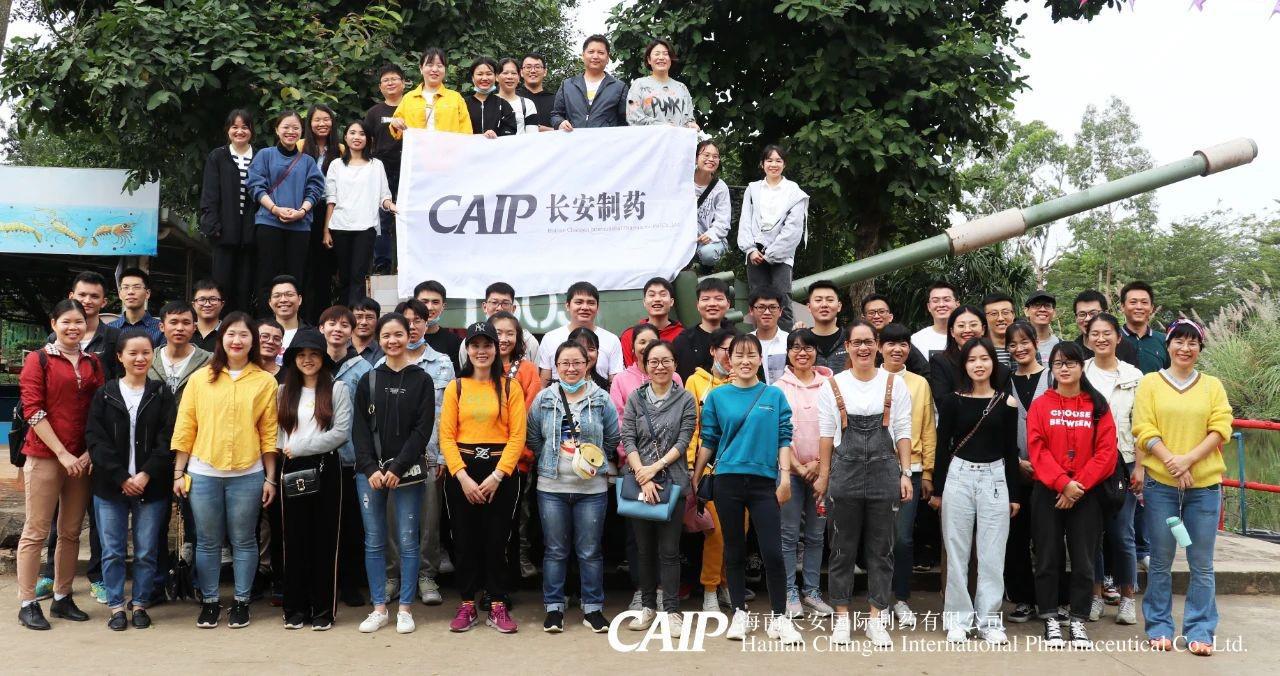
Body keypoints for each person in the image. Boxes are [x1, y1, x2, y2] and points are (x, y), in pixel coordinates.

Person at [171, 311, 279, 630]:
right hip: (203, 471)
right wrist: (178, 472)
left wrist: (271, 478)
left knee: (244, 540)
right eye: (231, 334)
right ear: (221, 339)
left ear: (253, 341)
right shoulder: (201, 379)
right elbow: (186, 426)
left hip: (248, 473)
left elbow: (268, 433)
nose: (237, 340)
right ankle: (210, 601)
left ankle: (242, 601)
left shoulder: (265, 381)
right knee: (207, 541)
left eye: (244, 334)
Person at [692, 334, 803, 644]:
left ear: (759, 358)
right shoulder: (717, 396)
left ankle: (779, 617)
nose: (745, 361)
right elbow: (709, 439)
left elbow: (784, 437)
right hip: (727, 480)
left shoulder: (773, 395)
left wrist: (784, 477)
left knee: (773, 552)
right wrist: (697, 476)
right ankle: (740, 613)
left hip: (764, 482)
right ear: (729, 359)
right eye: (738, 355)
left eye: (751, 355)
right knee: (734, 549)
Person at [1132, 319, 1231, 657]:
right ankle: (1159, 626)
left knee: (1201, 562)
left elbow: (1220, 427)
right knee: (1160, 560)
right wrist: (1171, 462)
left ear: (1200, 349)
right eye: (1179, 341)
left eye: (1192, 343)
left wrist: (1187, 460)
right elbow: (1143, 427)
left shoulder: (1212, 385)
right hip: (1161, 486)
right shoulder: (1150, 383)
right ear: (1168, 345)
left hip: (1204, 488)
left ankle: (1200, 629)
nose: (1185, 348)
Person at [814, 321, 914, 647]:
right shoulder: (833, 385)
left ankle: (876, 618)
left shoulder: (893, 384)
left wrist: (905, 473)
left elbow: (903, 430)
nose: (863, 348)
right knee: (841, 548)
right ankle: (842, 618)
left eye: (868, 341)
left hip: (886, 472)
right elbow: (826, 435)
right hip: (845, 473)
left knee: (882, 549)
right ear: (847, 346)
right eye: (856, 342)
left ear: (878, 345)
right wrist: (824, 477)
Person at [16, 299, 106, 630]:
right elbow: (33, 410)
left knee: (70, 532)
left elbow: (100, 410)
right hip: (45, 456)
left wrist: (89, 453)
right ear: (54, 324)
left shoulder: (93, 363)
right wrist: (63, 453)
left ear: (86, 325)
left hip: (81, 459)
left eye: (78, 322)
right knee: (36, 530)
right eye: (66, 321)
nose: (73, 327)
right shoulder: (38, 360)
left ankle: (62, 596)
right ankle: (27, 602)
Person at [1026, 341, 1118, 650]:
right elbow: (1037, 449)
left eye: (1070, 363)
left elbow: (1106, 453)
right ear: (1051, 369)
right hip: (1048, 492)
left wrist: (1077, 486)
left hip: (1086, 494)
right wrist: (1062, 483)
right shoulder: (1041, 405)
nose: (1064, 368)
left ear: (1081, 366)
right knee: (1047, 557)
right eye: (1058, 364)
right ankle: (1050, 617)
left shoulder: (1097, 405)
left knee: (1083, 560)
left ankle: (1078, 619)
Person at [930, 337, 1020, 645]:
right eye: (971, 360)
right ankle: (957, 620)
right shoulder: (952, 401)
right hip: (959, 476)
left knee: (992, 554)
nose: (978, 365)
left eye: (984, 358)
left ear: (994, 362)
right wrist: (938, 490)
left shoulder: (1007, 402)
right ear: (963, 366)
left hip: (995, 478)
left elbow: (1011, 450)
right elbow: (942, 448)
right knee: (956, 553)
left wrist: (1014, 494)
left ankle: (989, 621)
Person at [526, 341, 620, 633]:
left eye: (577, 362)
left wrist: (593, 462)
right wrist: (550, 461)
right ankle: (554, 607)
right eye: (564, 363)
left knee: (590, 551)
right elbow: (533, 437)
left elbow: (612, 437)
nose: (571, 368)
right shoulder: (544, 398)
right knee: (555, 550)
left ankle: (593, 608)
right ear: (555, 366)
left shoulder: (601, 398)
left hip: (592, 490)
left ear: (587, 364)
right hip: (552, 487)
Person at [85, 330, 176, 631]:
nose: (140, 358)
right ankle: (115, 606)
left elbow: (168, 438)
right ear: (120, 357)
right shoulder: (105, 393)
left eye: (146, 352)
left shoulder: (161, 393)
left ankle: (140, 604)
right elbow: (95, 440)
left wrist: (146, 473)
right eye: (133, 353)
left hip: (152, 485)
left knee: (146, 550)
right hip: (110, 486)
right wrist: (122, 476)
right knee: (112, 550)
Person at [351, 313, 436, 635]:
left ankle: (405, 609)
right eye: (386, 335)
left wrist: (397, 467)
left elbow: (422, 429)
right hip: (370, 474)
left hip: (407, 472)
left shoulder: (422, 380)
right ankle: (378, 608)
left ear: (409, 336)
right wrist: (370, 468)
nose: (392, 341)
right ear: (379, 339)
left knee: (408, 540)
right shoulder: (369, 379)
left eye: (398, 334)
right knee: (374, 541)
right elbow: (359, 430)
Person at [440, 322, 527, 634]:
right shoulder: (456, 387)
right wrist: (462, 477)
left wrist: (498, 475)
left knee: (497, 540)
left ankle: (497, 602)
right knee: (464, 540)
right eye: (475, 345)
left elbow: (517, 436)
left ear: (495, 348)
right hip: (463, 471)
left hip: (500, 472)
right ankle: (467, 604)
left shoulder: (510, 387)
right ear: (467, 350)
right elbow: (446, 436)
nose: (481, 351)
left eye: (487, 345)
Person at [276, 329, 352, 631]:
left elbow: (340, 433)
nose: (307, 360)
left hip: (325, 466)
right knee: (294, 540)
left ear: (323, 358)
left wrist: (301, 447)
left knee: (325, 540)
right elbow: (278, 434)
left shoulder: (337, 388)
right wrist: (289, 452)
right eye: (301, 355)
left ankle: (323, 610)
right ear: (293, 359)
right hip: (291, 468)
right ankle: (294, 609)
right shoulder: (283, 391)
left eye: (314, 354)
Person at [381, 299, 455, 606]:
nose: (411, 327)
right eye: (405, 321)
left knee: (428, 521)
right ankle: (393, 576)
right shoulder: (380, 366)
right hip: (390, 459)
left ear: (428, 323)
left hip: (429, 455)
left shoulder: (442, 363)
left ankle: (426, 576)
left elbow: (448, 413)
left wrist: (443, 456)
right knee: (392, 520)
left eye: (417, 321)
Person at [620, 340, 697, 634]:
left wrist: (654, 469)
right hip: (640, 480)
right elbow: (628, 438)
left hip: (673, 481)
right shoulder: (636, 398)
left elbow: (684, 439)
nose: (660, 366)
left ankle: (672, 611)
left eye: (666, 361)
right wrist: (643, 474)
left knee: (669, 550)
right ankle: (648, 607)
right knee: (644, 550)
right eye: (653, 361)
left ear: (675, 364)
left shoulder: (685, 399)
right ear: (645, 365)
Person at [146, 301, 211, 601]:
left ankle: (198, 583)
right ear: (161, 326)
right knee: (154, 522)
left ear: (195, 327)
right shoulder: (147, 358)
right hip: (154, 451)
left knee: (197, 522)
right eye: (173, 322)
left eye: (186, 322)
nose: (180, 328)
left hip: (196, 450)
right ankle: (157, 583)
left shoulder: (209, 362)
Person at [1084, 313, 1144, 625]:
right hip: (1088, 462)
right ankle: (1094, 596)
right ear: (1087, 339)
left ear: (1118, 338)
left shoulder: (1134, 376)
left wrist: (1141, 467)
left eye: (1107, 333)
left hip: (1125, 460)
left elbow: (1143, 424)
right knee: (1091, 534)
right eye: (1095, 333)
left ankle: (1127, 598)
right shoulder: (1080, 372)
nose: (1101, 338)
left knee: (1122, 533)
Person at [774, 330, 835, 618]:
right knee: (787, 535)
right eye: (796, 348)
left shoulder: (831, 386)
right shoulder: (777, 388)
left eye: (808, 347)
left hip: (822, 472)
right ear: (788, 353)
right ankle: (789, 591)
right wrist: (798, 466)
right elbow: (777, 432)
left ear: (816, 351)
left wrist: (820, 466)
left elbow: (836, 428)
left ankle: (812, 592)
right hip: (789, 472)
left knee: (816, 534)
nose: (802, 353)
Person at [878, 323, 935, 626]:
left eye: (903, 344)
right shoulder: (869, 378)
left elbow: (927, 428)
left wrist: (927, 472)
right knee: (877, 538)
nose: (897, 349)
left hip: (910, 469)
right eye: (891, 343)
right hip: (874, 468)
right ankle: (879, 600)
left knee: (902, 538)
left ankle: (900, 598)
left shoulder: (919, 383)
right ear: (880, 347)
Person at [318, 305, 373, 607]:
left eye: (344, 325)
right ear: (321, 328)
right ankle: (326, 582)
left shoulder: (363, 368)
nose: (337, 329)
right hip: (318, 457)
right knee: (323, 523)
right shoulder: (312, 363)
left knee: (353, 525)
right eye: (331, 324)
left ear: (352, 332)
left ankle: (351, 583)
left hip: (352, 460)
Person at [246, 110, 326, 311]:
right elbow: (255, 186)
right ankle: (266, 320)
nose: (291, 131)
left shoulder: (307, 161)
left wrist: (302, 211)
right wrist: (274, 209)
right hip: (268, 223)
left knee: (296, 277)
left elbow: (315, 189)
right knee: (267, 275)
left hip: (300, 227)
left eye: (296, 128)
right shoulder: (265, 155)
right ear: (277, 130)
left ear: (302, 132)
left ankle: (293, 321)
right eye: (286, 127)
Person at [683, 327, 737, 611]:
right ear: (713, 351)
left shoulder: (746, 382)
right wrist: (693, 466)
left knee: (737, 532)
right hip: (709, 469)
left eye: (737, 351)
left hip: (740, 469)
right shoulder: (695, 382)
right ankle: (709, 589)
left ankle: (726, 583)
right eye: (726, 349)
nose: (732, 356)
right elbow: (691, 426)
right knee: (715, 532)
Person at [490, 310, 543, 580]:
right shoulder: (479, 367)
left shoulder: (528, 370)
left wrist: (517, 451)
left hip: (518, 457)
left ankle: (519, 558)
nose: (504, 338)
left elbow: (530, 412)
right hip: (484, 456)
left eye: (510, 333)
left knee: (519, 512)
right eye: (498, 332)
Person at [1002, 321, 1048, 623]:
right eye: (1013, 344)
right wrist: (1017, 462)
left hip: (1050, 473)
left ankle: (1050, 599)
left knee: (1047, 539)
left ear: (1035, 343)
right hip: (1014, 472)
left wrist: (1044, 463)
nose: (1019, 348)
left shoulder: (1053, 377)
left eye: (1024, 342)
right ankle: (1023, 599)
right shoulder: (1004, 382)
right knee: (1016, 539)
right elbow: (1000, 427)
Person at [324, 120, 395, 306]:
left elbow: (384, 196)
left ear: (368, 139)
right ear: (345, 137)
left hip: (366, 227)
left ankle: (356, 315)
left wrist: (392, 206)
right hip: (339, 226)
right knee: (343, 276)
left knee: (359, 275)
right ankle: (342, 315)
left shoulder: (376, 165)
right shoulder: (336, 165)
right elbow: (331, 199)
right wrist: (326, 230)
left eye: (362, 134)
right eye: (353, 133)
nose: (357, 137)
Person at [737, 145, 807, 330]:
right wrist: (750, 249)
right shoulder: (752, 189)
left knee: (783, 297)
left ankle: (785, 341)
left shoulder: (794, 191)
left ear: (784, 164)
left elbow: (793, 228)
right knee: (757, 299)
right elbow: (745, 221)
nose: (773, 164)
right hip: (754, 252)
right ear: (762, 164)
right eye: (769, 160)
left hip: (782, 254)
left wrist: (772, 254)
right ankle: (759, 341)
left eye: (778, 160)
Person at [199, 108, 257, 313]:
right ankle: (221, 327)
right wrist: (213, 226)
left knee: (246, 287)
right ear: (227, 130)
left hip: (252, 235)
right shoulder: (218, 156)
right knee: (222, 286)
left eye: (245, 127)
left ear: (251, 130)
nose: (240, 131)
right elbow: (210, 194)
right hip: (223, 233)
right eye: (235, 127)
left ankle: (244, 326)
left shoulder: (260, 157)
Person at [300, 104, 342, 323]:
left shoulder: (341, 149)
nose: (322, 124)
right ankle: (303, 320)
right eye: (317, 120)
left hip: (331, 210)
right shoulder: (300, 146)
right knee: (304, 266)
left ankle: (323, 320)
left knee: (325, 269)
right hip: (303, 210)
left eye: (326, 119)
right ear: (309, 123)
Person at [537, 281, 624, 386]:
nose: (585, 307)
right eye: (579, 302)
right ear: (567, 305)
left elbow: (615, 384)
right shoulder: (550, 338)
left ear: (597, 307)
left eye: (591, 303)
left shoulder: (612, 340)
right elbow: (544, 384)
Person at [363, 63, 406, 274]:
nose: (390, 83)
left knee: (408, 216)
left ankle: (407, 264)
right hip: (382, 170)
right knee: (383, 217)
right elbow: (365, 141)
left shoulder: (412, 107)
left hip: (410, 168)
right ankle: (382, 265)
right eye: (385, 80)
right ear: (380, 87)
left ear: (403, 83)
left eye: (394, 78)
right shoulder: (374, 112)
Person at [928, 305, 1007, 403]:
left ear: (983, 329)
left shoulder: (1002, 370)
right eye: (961, 326)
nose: (967, 330)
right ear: (952, 332)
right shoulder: (940, 362)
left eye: (973, 325)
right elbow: (943, 403)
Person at [551, 35, 628, 130]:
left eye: (601, 53)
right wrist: (560, 123)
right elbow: (556, 115)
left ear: (608, 58)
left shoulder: (619, 88)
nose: (595, 56)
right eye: (591, 52)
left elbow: (625, 121)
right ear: (583, 56)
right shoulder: (567, 85)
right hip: (574, 138)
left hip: (606, 139)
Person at [391, 48, 472, 137]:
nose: (434, 69)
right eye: (430, 65)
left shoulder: (456, 98)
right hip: (417, 146)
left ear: (445, 70)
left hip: (448, 146)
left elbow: (466, 132)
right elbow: (396, 131)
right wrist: (395, 124)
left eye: (439, 66)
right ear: (421, 69)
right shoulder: (408, 98)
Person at [458, 282, 540, 368]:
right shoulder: (471, 341)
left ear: (513, 308)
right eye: (494, 302)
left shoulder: (529, 342)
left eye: (505, 303)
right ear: (485, 307)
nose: (500, 308)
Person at [626, 38, 697, 128]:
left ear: (670, 59)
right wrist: (663, 127)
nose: (661, 57)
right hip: (650, 137)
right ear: (649, 60)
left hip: (678, 137)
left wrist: (692, 125)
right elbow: (633, 118)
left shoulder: (681, 88)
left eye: (665, 54)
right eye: (657, 54)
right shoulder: (639, 85)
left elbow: (689, 119)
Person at [673, 277, 731, 380]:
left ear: (728, 304)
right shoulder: (683, 341)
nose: (712, 304)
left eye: (718, 299)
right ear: (697, 305)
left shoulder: (738, 339)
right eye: (705, 299)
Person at [619, 277, 684, 367]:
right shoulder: (629, 335)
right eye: (652, 295)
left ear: (671, 302)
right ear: (644, 302)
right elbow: (629, 370)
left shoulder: (683, 335)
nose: (657, 299)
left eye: (663, 294)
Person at [861, 293, 930, 376]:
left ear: (890, 317)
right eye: (871, 313)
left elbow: (925, 371)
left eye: (881, 312)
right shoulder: (857, 344)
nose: (876, 316)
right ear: (863, 319)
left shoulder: (901, 342)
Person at [692, 140, 730, 270]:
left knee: (707, 253)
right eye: (706, 155)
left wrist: (710, 235)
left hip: (710, 241)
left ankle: (707, 269)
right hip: (684, 239)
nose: (711, 159)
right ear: (696, 158)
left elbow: (723, 222)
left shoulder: (720, 188)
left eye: (715, 156)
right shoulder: (683, 182)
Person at [1072, 289, 1138, 364]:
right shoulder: (1072, 351)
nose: (1087, 319)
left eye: (1093, 313)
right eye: (1082, 314)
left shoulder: (1125, 347)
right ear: (1076, 318)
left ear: (1106, 314)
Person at [1120, 281, 1170, 375]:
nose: (1139, 307)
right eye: (1133, 302)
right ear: (1122, 307)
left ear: (1151, 308)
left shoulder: (1164, 341)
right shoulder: (1112, 338)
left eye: (1144, 302)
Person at [414, 280, 463, 375]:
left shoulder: (453, 342)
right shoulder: (405, 338)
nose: (429, 307)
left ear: (443, 306)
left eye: (435, 302)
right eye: (424, 302)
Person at [108, 267, 165, 347]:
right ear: (120, 294)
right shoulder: (109, 329)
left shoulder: (161, 329)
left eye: (136, 287)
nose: (130, 292)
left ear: (147, 293)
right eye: (126, 287)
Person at [465, 57, 517, 137]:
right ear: (472, 78)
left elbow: (510, 132)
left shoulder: (503, 105)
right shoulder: (463, 103)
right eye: (480, 74)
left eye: (489, 74)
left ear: (495, 77)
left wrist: (495, 135)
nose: (485, 78)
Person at [748, 287, 790, 385]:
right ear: (751, 310)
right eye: (761, 307)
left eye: (773, 307)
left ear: (780, 311)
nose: (767, 312)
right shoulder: (744, 342)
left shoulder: (789, 341)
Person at [805, 281, 847, 374]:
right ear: (809, 307)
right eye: (818, 300)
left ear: (839, 306)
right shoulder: (802, 340)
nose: (824, 305)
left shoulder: (851, 339)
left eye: (830, 300)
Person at [911, 281, 958, 359]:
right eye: (935, 301)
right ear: (929, 307)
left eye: (946, 300)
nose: (941, 305)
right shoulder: (916, 340)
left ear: (957, 304)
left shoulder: (967, 336)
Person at [267, 275, 309, 355]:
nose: (283, 300)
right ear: (270, 303)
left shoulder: (312, 335)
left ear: (299, 300)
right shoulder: (258, 333)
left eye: (289, 295)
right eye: (277, 296)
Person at [496, 58, 539, 134]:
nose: (510, 77)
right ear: (496, 77)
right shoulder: (487, 102)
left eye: (514, 73)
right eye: (505, 73)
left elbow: (533, 136)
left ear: (519, 77)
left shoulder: (528, 104)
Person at [517, 53, 555, 131]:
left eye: (537, 67)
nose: (533, 71)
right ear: (521, 72)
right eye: (528, 67)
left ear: (545, 72)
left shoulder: (556, 100)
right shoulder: (513, 97)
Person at [981, 292, 1016, 369]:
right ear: (984, 318)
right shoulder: (978, 351)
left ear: (1013, 315)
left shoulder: (1025, 348)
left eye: (1005, 313)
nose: (1000, 318)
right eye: (994, 314)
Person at [1024, 290, 1060, 363]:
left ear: (1054, 313)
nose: (1042, 309)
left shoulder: (1062, 345)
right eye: (1037, 305)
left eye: (1047, 306)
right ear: (1026, 311)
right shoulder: (1017, 347)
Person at [191, 279, 225, 352]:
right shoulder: (185, 332)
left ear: (222, 304)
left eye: (213, 299)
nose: (207, 304)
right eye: (202, 299)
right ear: (193, 305)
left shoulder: (228, 333)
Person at [352, 298, 384, 364]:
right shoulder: (340, 347)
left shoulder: (384, 350)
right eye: (358, 317)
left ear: (377, 320)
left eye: (369, 317)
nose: (364, 322)